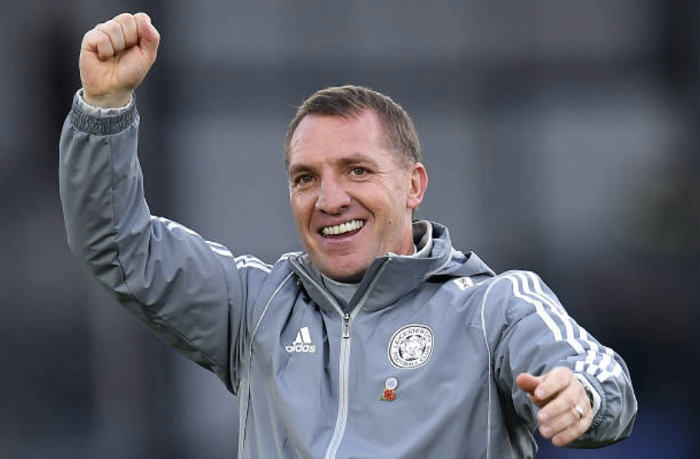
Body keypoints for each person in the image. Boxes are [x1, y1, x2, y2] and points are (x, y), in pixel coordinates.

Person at [59, 12, 637, 459]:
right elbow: (119, 245)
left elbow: (595, 372)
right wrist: (104, 109)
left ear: (413, 186)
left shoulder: (494, 308)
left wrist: (583, 396)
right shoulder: (258, 307)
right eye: (305, 178)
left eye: (357, 171)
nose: (329, 199)